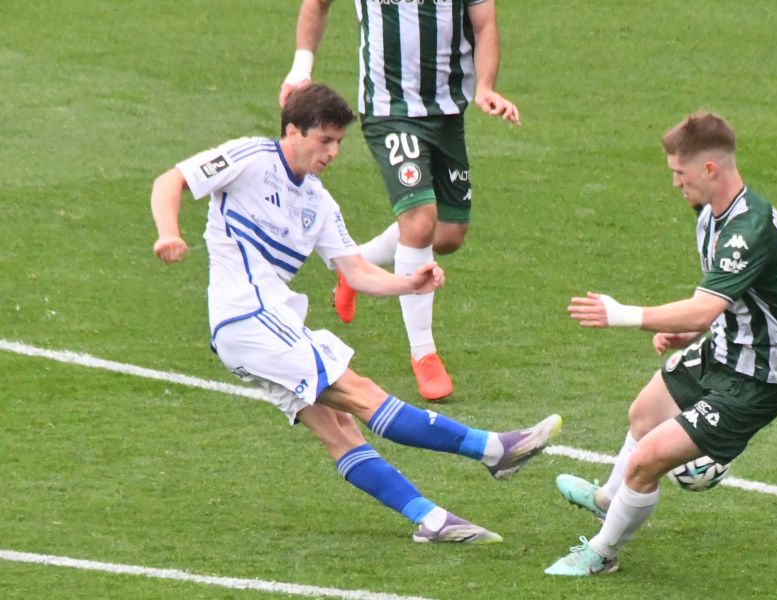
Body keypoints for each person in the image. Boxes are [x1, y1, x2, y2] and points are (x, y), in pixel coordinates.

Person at [151, 84, 560, 544]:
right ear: (293, 131)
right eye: (324, 140)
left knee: (339, 428)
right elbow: (171, 180)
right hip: (248, 318)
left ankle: (431, 520)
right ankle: (492, 449)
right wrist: (169, 232)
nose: (332, 152)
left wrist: (408, 283)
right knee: (361, 393)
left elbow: (357, 271)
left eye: (339, 142)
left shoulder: (319, 202)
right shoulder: (251, 157)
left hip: (263, 325)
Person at [544, 112, 777, 575]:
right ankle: (608, 500)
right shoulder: (712, 212)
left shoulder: (747, 230)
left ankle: (602, 553)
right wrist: (689, 333)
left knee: (647, 461)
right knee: (643, 414)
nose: (675, 184)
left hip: (755, 380)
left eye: (680, 174)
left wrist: (622, 314)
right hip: (722, 349)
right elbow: (727, 301)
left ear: (710, 169)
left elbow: (702, 308)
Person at [279, 0, 521, 401]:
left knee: (448, 234)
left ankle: (355, 266)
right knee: (420, 220)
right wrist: (301, 67)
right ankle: (424, 353)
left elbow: (485, 24)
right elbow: (317, 4)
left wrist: (485, 86)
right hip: (389, 109)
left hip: (446, 111)